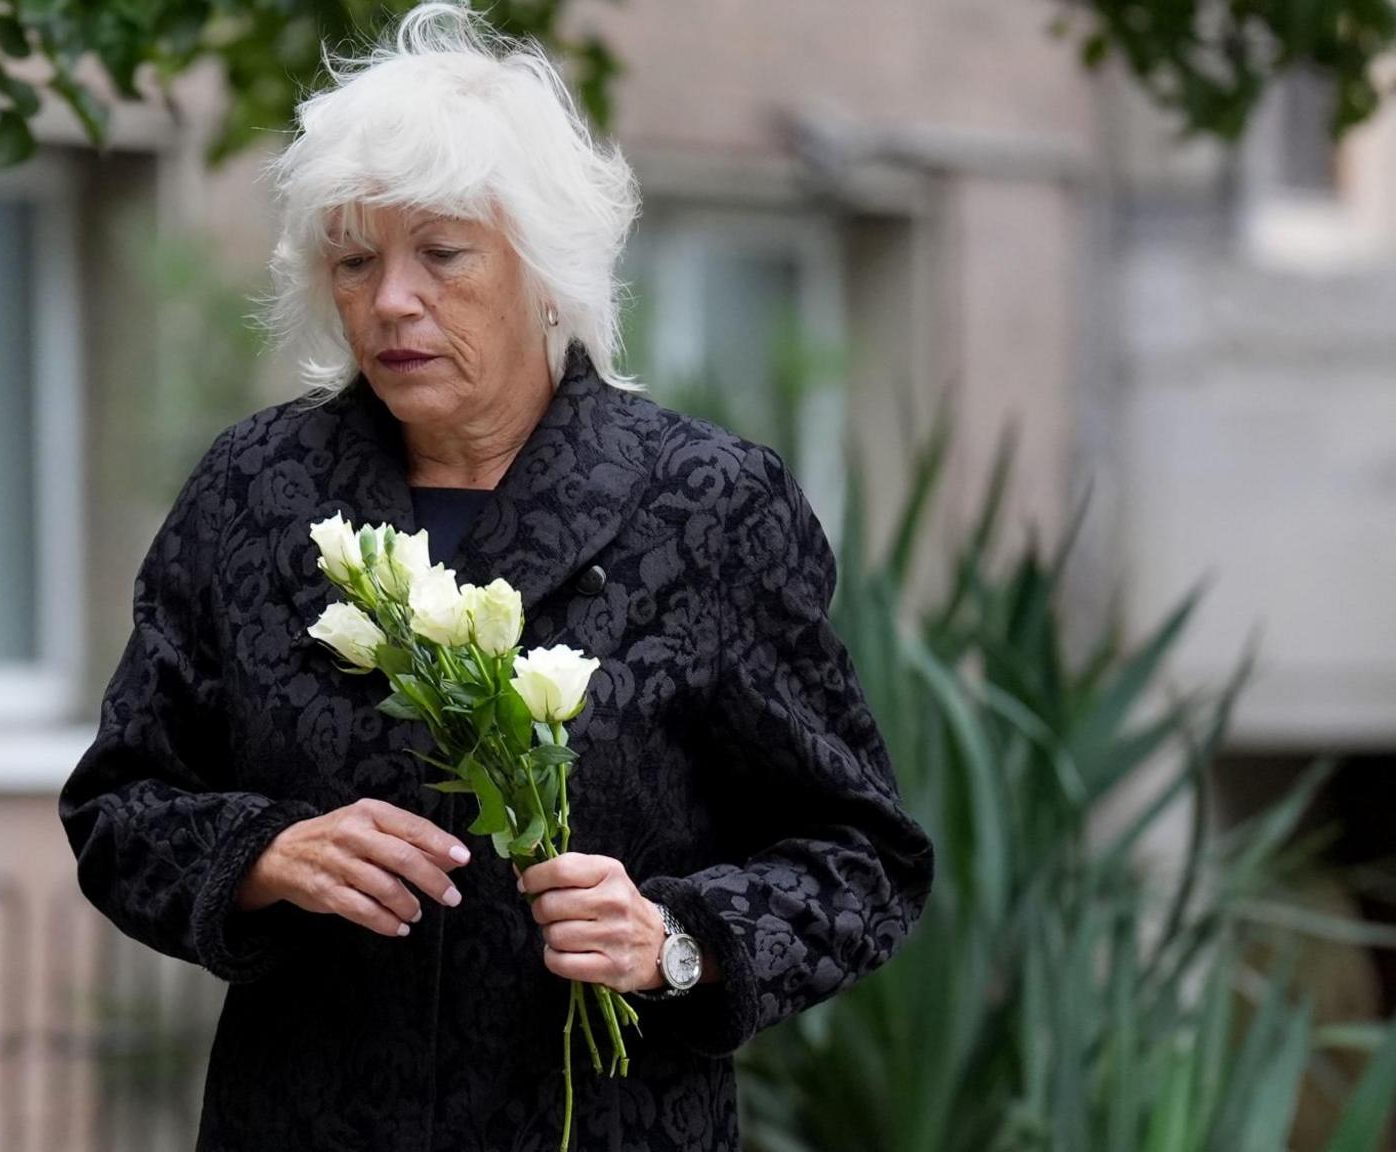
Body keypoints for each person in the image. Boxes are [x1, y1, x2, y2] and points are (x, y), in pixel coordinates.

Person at [56, 5, 934, 1149]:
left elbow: (860, 855)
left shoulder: (704, 506)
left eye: (440, 254)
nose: (389, 302)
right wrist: (261, 856)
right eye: (354, 259)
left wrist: (673, 938)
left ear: (544, 266)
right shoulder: (255, 492)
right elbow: (119, 804)